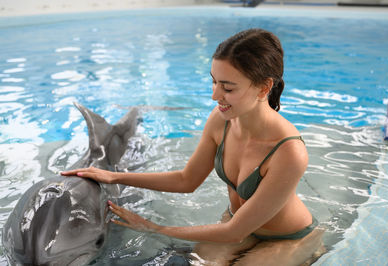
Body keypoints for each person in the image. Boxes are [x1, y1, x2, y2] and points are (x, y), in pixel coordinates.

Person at [61, 28, 323, 264]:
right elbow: (187, 180)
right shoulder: (221, 120)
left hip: (286, 237)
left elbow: (235, 233)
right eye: (214, 81)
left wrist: (154, 228)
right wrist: (114, 176)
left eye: (228, 88)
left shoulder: (288, 152)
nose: (215, 95)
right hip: (235, 223)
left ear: (264, 87)